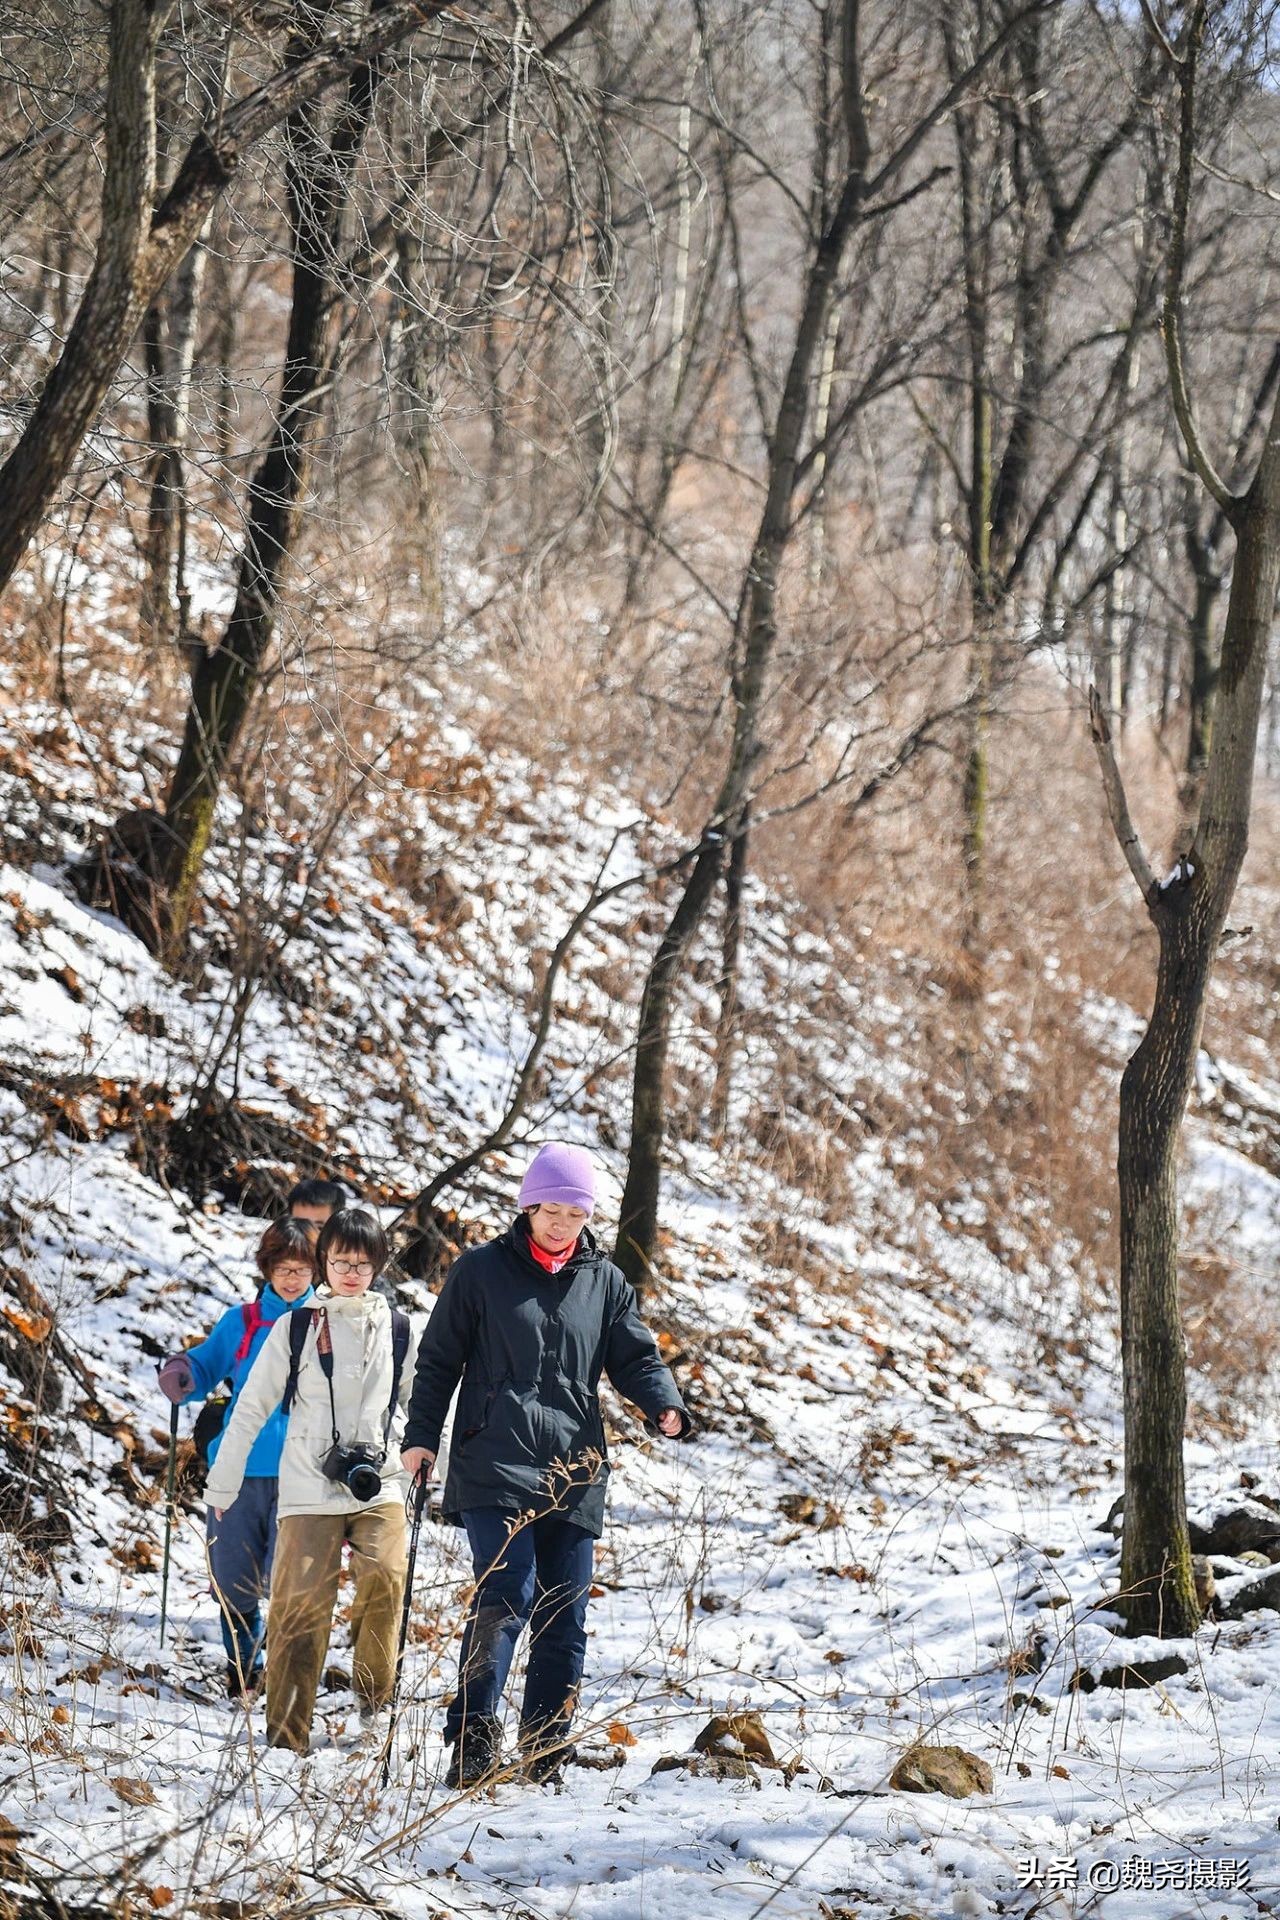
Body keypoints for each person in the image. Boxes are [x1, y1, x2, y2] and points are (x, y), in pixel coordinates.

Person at [401, 1142, 690, 1788]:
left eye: (574, 1213)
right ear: (528, 1206)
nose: (561, 1224)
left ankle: (544, 1747)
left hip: (575, 1468)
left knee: (565, 1611)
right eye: (551, 1209)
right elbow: (438, 1360)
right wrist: (421, 1439)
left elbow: (636, 1357)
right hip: (493, 1462)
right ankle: (473, 1740)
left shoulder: (605, 1281)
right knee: (507, 1597)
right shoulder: (480, 1273)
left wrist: (663, 1403)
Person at [205, 1208, 418, 1753]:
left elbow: (429, 1402)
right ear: (324, 1262)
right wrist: (222, 1487)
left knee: (387, 1578)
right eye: (340, 1261)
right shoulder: (295, 1327)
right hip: (305, 1483)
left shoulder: (397, 1328)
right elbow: (249, 1408)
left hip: (379, 1480)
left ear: (379, 1267)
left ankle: (374, 1701)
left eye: (362, 1264)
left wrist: (434, 1454)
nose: (350, 1273)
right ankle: (286, 1735)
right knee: (299, 1606)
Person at [157, 1218, 318, 1697]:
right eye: (283, 1269)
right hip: (239, 1469)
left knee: (291, 1581)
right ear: (267, 1269)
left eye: (302, 1269)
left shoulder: (330, 1321)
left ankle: (289, 1677)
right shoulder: (244, 1322)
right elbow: (206, 1364)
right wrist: (183, 1373)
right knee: (233, 1579)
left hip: (304, 1473)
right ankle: (245, 1671)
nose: (292, 1279)